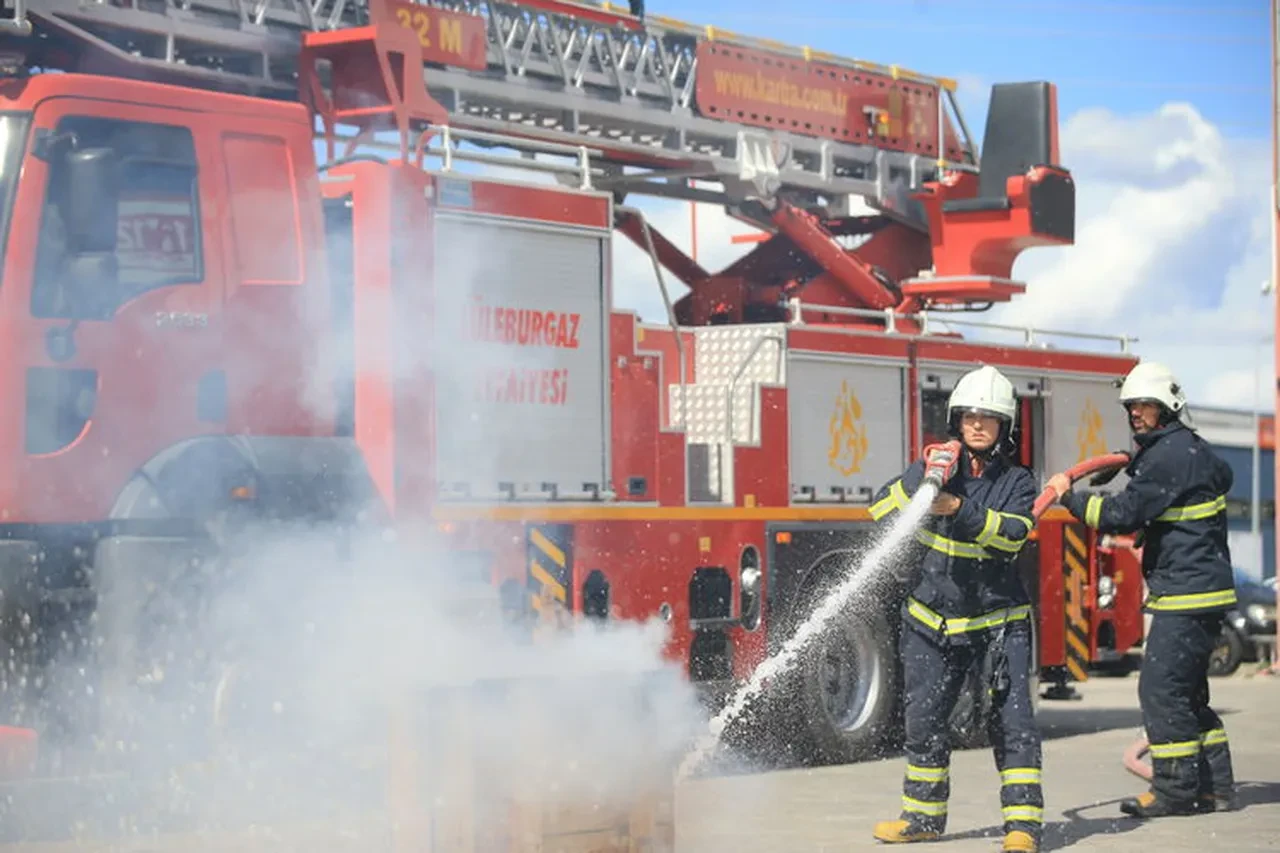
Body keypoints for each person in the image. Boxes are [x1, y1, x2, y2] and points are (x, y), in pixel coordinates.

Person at [1046, 360, 1238, 818]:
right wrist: (1135, 463)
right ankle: (1215, 787)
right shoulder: (1186, 450)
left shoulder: (1169, 457)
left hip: (1186, 593)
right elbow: (1210, 475)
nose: (1135, 413)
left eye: (1144, 406)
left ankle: (1174, 793)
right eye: (1131, 406)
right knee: (1188, 694)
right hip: (1201, 590)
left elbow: (1120, 515)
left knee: (1162, 691)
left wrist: (1067, 496)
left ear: (1167, 406)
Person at [870, 365, 1043, 853]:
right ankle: (921, 817)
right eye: (969, 416)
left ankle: (1023, 826)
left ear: (1003, 426)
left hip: (996, 625)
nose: (977, 424)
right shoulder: (932, 466)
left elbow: (1011, 536)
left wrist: (957, 508)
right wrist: (923, 481)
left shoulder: (1017, 481)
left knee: (1012, 724)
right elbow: (880, 512)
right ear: (955, 419)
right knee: (923, 720)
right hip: (930, 621)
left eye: (989, 418)